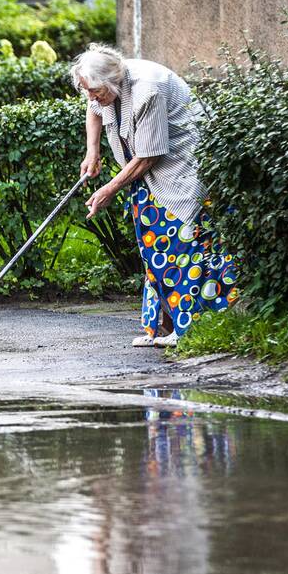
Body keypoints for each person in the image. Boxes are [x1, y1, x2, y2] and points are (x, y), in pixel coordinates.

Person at [71, 44, 239, 348]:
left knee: (183, 241)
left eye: (95, 90)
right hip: (147, 170)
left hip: (183, 163)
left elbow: (149, 156)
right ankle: (162, 327)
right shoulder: (105, 85)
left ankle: (191, 328)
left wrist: (108, 189)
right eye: (89, 90)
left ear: (110, 81)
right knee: (154, 243)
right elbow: (94, 107)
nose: (92, 96)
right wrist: (92, 151)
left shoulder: (148, 89)